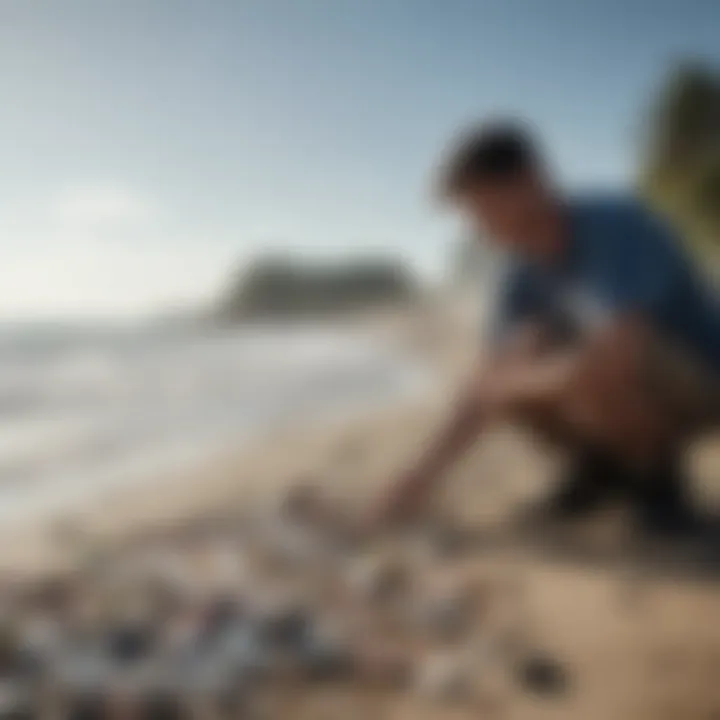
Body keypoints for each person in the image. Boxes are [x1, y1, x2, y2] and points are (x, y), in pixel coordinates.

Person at [374, 121, 720, 536]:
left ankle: (659, 485)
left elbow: (621, 352)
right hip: (624, 379)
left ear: (529, 181)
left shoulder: (618, 225)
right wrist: (419, 478)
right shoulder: (520, 271)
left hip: (701, 379)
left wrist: (513, 383)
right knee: (512, 367)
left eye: (482, 208)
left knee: (578, 363)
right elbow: (486, 383)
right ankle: (600, 472)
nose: (479, 228)